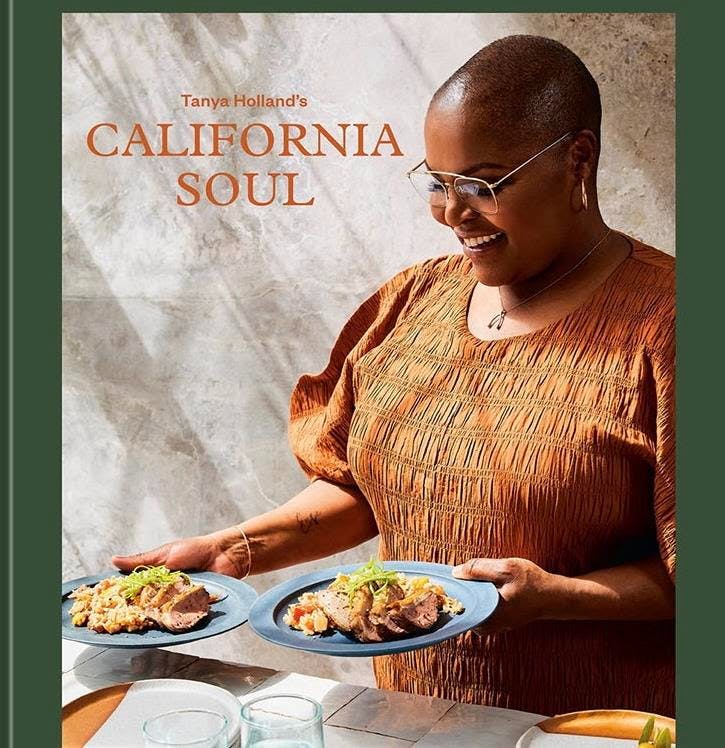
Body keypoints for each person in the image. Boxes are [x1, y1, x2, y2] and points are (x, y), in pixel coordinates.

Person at [114, 35, 675, 717]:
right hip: (413, 717)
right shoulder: (412, 302)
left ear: (575, 159)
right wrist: (236, 548)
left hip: (588, 726)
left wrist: (558, 597)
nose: (452, 212)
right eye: (438, 182)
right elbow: (357, 484)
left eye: (483, 183)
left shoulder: (668, 323)